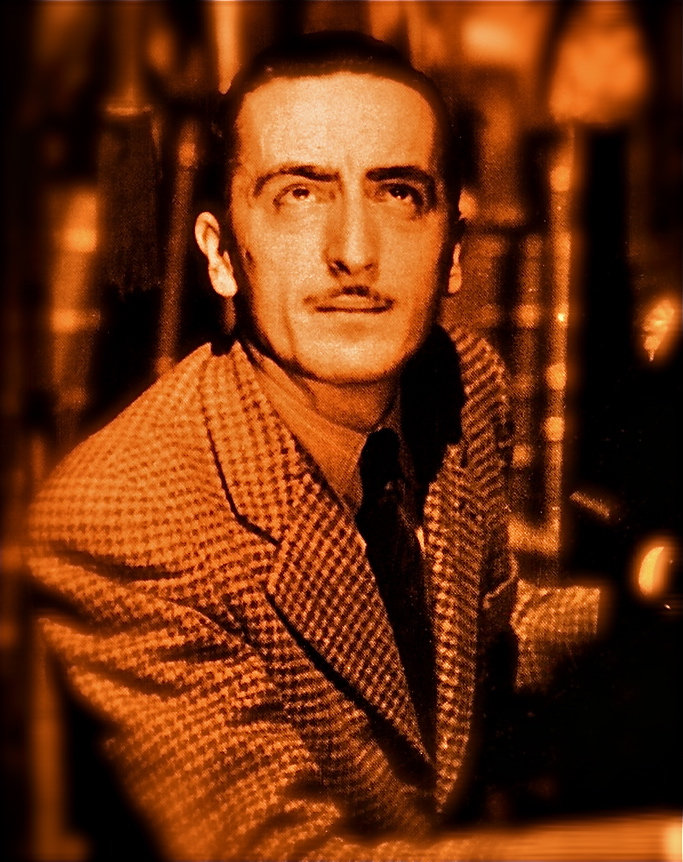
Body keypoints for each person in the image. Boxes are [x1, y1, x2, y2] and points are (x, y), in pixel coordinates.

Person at [27, 31, 602, 861]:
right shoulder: (123, 521)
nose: (353, 253)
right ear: (221, 256)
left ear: (452, 251)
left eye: (398, 193)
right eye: (299, 194)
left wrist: (643, 606)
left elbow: (482, 645)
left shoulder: (459, 380)